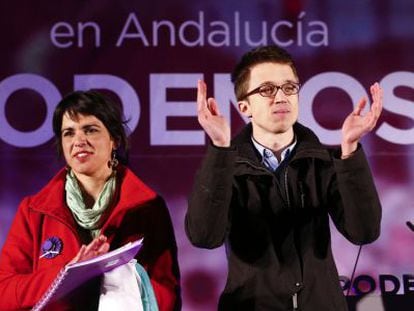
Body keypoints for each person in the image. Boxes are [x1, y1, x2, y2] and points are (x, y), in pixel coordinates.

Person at [185, 45, 382, 310]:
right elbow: (204, 236)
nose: (281, 97)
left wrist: (350, 151)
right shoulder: (226, 166)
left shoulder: (323, 161)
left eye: (289, 87)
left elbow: (365, 232)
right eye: (267, 89)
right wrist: (220, 148)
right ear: (245, 106)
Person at [0, 90, 181, 310]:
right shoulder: (33, 211)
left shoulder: (149, 207)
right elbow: (5, 293)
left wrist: (125, 286)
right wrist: (67, 273)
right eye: (68, 133)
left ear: (114, 140)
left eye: (90, 130)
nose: (78, 141)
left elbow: (167, 295)